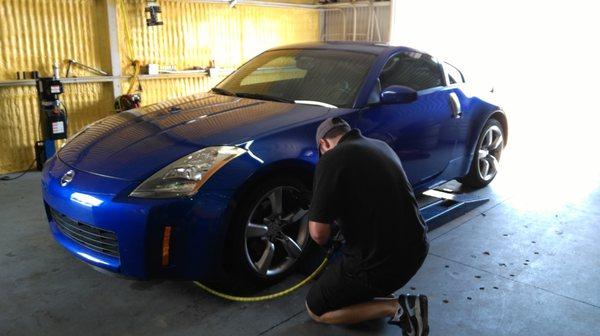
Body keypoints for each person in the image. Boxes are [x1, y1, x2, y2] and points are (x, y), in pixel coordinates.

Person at [305, 117, 430, 336]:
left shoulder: (332, 158)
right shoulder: (380, 146)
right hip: (417, 248)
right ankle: (380, 298)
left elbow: (318, 234)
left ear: (324, 144)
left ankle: (399, 308)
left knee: (316, 308)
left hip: (380, 263)